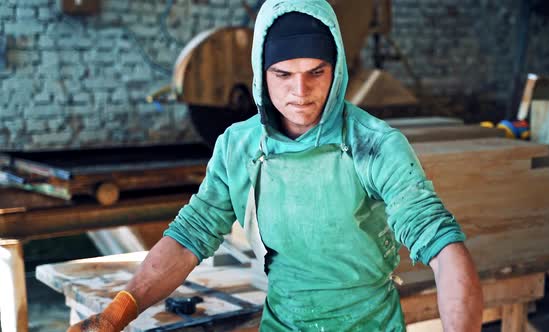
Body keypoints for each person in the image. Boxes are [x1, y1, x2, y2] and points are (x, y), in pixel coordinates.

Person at [68, 0, 483, 331]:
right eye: (283, 74)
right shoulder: (239, 146)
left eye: (316, 72)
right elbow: (189, 236)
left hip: (368, 323)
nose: (299, 92)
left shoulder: (374, 145)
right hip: (284, 322)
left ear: (337, 71)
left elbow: (442, 245)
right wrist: (121, 311)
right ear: (259, 75)